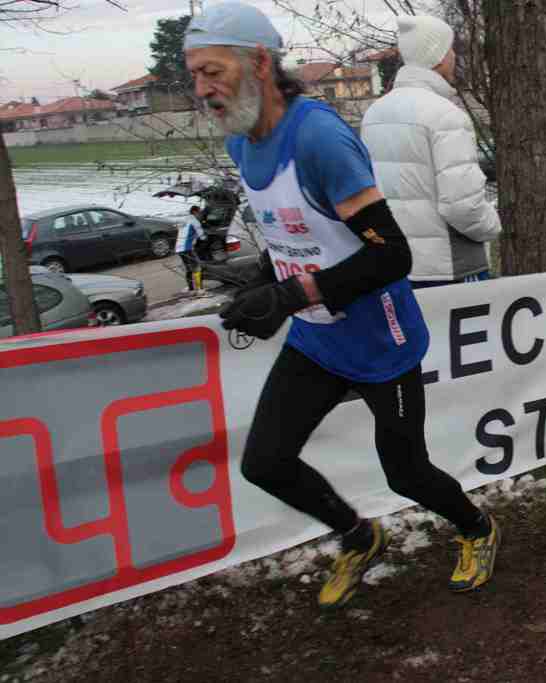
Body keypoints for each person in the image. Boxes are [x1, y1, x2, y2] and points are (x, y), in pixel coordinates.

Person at [183, 1, 499, 608]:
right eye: (195, 74)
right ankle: (359, 535)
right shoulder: (243, 143)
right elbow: (292, 232)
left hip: (381, 340)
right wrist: (260, 282)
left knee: (405, 473)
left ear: (259, 63)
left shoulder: (320, 139)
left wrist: (290, 294)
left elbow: (392, 256)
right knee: (265, 462)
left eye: (212, 72)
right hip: (316, 337)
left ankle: (477, 527)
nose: (202, 89)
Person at [360, 15, 500, 289]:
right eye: (450, 49)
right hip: (449, 267)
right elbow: (461, 206)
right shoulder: (446, 115)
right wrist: (493, 225)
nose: (454, 56)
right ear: (438, 56)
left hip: (395, 266)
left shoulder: (374, 114)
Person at [175, 205, 206, 293]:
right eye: (200, 212)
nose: (201, 214)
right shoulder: (195, 221)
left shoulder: (184, 219)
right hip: (187, 248)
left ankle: (191, 289)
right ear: (195, 212)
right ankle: (200, 289)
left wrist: (194, 236)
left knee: (188, 268)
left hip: (178, 248)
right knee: (197, 267)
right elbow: (202, 237)